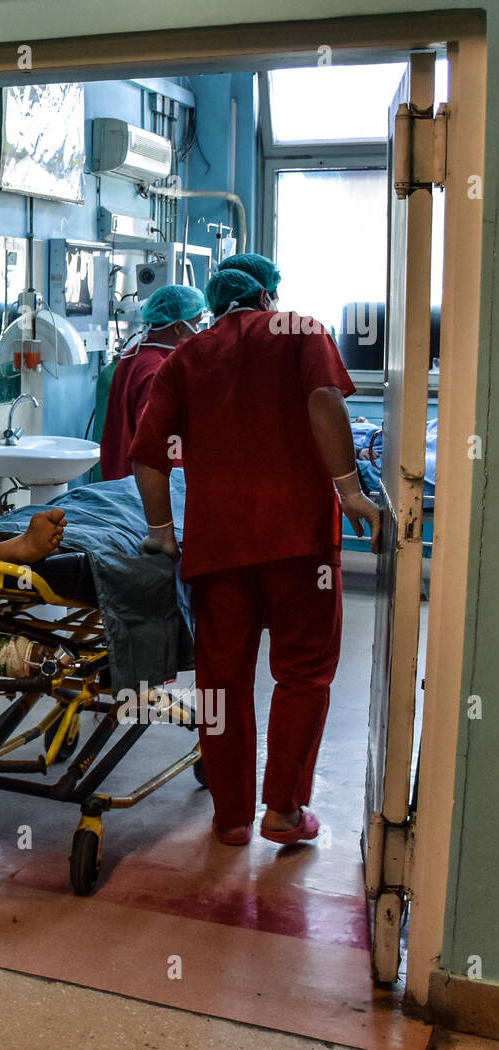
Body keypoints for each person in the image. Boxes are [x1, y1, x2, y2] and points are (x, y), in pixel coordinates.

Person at [129, 254, 381, 847]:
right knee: (303, 674)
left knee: (223, 683)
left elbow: (148, 455)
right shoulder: (300, 332)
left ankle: (232, 819)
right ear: (267, 296)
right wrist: (350, 492)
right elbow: (325, 400)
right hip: (300, 547)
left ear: (215, 306)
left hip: (219, 551)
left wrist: (162, 530)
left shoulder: (187, 356)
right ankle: (284, 813)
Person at [99, 284, 205, 480]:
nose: (199, 331)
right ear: (179, 327)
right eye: (197, 324)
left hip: (121, 476)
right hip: (144, 487)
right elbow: (156, 443)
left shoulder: (134, 355)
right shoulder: (157, 370)